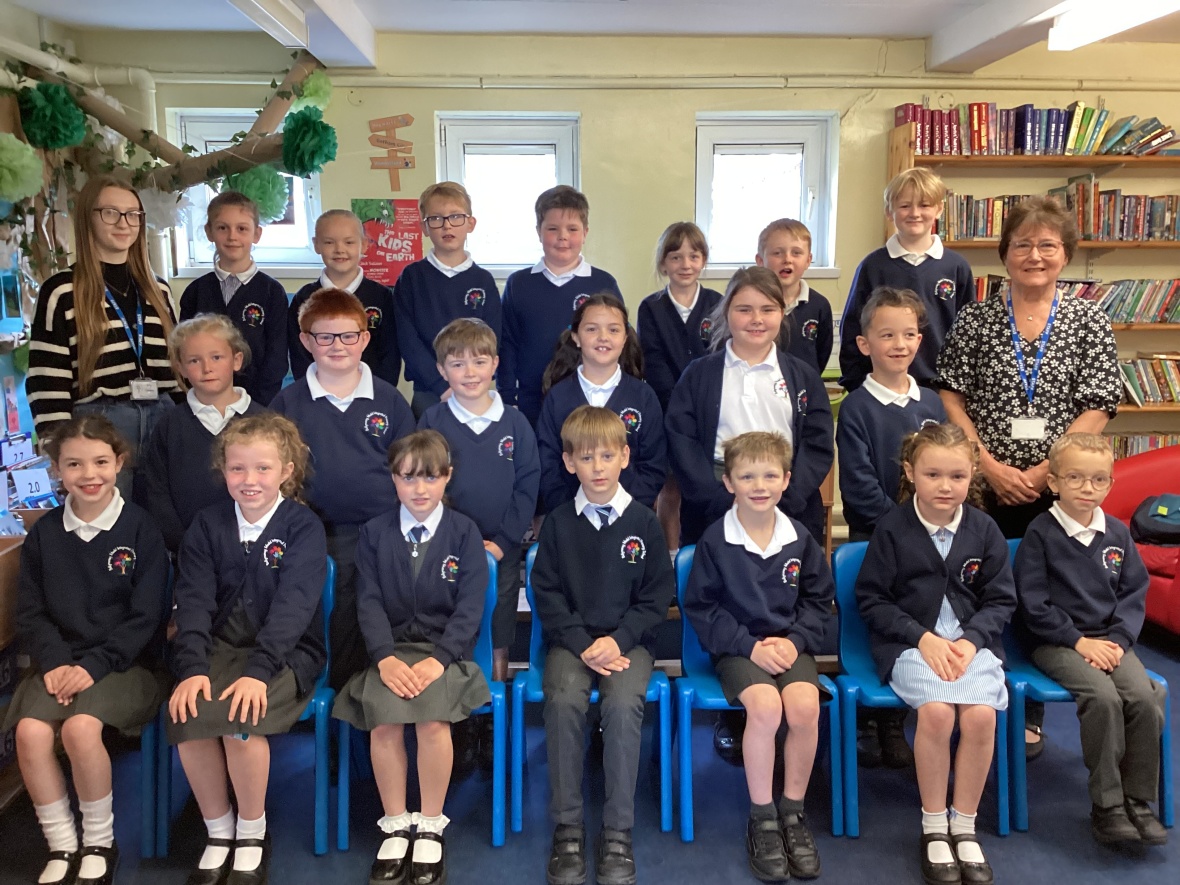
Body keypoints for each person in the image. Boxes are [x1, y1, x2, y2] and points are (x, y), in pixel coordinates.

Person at [935, 196, 1122, 757]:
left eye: (1047, 245)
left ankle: (1030, 709)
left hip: (1060, 488)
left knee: (1046, 593)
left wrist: (1045, 472)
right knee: (979, 587)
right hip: (984, 485)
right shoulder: (977, 318)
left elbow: (1099, 403)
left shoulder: (1088, 320)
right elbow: (951, 394)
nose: (1034, 255)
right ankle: (980, 691)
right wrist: (988, 465)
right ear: (1005, 254)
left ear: (1065, 254)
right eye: (1022, 245)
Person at [6, 415, 169, 885]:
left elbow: (146, 618)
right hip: (59, 664)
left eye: (100, 462)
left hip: (125, 665)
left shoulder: (141, 529)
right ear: (57, 470)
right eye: (74, 464)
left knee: (80, 729)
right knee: (30, 733)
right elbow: (31, 614)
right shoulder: (44, 534)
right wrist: (58, 663)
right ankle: (61, 843)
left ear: (119, 463)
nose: (89, 474)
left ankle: (99, 842)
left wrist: (94, 665)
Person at [168, 413, 327, 885]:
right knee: (190, 716)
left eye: (262, 468)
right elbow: (193, 601)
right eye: (237, 468)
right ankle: (219, 830)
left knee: (241, 722)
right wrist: (192, 668)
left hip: (284, 654)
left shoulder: (303, 527)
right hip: (217, 649)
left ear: (286, 471)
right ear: (224, 471)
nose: (249, 479)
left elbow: (294, 608)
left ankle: (253, 832)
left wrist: (259, 672)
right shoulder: (206, 524)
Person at [856, 423, 1015, 885]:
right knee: (938, 713)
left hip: (970, 644)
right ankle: (933, 825)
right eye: (933, 475)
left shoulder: (984, 529)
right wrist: (921, 637)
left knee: (981, 717)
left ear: (972, 476)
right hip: (910, 644)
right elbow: (872, 600)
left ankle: (963, 825)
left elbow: (1001, 600)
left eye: (957, 476)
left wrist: (971, 639)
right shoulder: (892, 528)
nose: (946, 486)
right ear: (910, 473)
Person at [333, 430, 491, 885]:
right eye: (408, 478)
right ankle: (397, 823)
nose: (419, 489)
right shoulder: (374, 533)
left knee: (432, 723)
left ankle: (430, 824)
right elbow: (368, 602)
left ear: (447, 477)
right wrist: (384, 658)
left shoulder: (464, 532)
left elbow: (470, 608)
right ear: (393, 479)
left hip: (446, 656)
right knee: (385, 722)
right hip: (392, 653)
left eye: (430, 478)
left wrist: (440, 659)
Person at [531, 406, 675, 885]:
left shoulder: (645, 522)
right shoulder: (557, 523)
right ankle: (568, 827)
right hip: (571, 644)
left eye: (607, 456)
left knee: (622, 703)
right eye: (586, 457)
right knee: (563, 699)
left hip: (629, 644)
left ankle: (617, 830)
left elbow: (656, 597)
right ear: (569, 462)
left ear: (625, 458)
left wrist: (619, 639)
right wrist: (581, 642)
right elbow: (546, 594)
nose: (597, 467)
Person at [682, 431, 832, 882]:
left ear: (786, 480)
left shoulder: (800, 538)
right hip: (738, 649)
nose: (759, 485)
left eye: (769, 475)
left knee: (804, 707)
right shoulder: (715, 540)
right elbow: (702, 609)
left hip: (789, 645)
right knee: (765, 708)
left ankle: (793, 812)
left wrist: (795, 641)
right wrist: (749, 647)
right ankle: (763, 818)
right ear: (729, 482)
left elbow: (818, 601)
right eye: (747, 477)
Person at [1013, 433, 1167, 847]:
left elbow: (1133, 595)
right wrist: (1078, 642)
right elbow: (1033, 604)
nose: (1088, 488)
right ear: (1054, 482)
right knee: (1102, 698)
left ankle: (1137, 799)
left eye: (1099, 480)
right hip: (1057, 642)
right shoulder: (1040, 534)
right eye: (1076, 478)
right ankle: (1108, 804)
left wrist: (1117, 640)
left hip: (1112, 641)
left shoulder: (1117, 533)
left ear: (1110, 484)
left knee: (1145, 697)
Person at [270, 288, 415, 689]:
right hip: (311, 534)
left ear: (365, 339)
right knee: (325, 622)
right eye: (325, 336)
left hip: (380, 532)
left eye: (348, 335)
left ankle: (368, 705)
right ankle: (330, 707)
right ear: (306, 341)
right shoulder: (287, 404)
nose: (338, 345)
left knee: (375, 619)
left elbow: (409, 471)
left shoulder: (390, 400)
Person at [837, 286, 946, 771]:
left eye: (908, 335)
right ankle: (868, 723)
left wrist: (926, 529)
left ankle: (896, 719)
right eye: (886, 335)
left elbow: (944, 471)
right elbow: (860, 487)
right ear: (865, 344)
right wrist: (905, 530)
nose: (899, 345)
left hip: (927, 541)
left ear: (919, 340)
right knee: (877, 622)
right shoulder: (857, 407)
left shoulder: (932, 404)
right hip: (875, 540)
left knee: (918, 620)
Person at [25, 174, 181, 496]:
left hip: (163, 420)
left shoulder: (159, 290)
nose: (124, 223)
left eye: (133, 214)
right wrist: (59, 449)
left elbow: (176, 372)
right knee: (104, 522)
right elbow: (47, 381)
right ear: (88, 218)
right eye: (110, 213)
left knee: (164, 521)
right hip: (99, 427)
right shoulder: (62, 291)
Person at [666, 266, 834, 548]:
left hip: (789, 504)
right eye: (744, 310)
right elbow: (682, 440)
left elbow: (818, 443)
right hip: (714, 506)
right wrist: (719, 498)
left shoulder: (803, 376)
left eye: (768, 309)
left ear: (782, 313)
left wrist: (786, 496)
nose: (756, 319)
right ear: (726, 312)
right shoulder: (698, 375)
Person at [418, 319, 540, 686]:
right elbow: (423, 483)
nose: (470, 373)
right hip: (446, 547)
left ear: (495, 364)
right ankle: (455, 702)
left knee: (498, 625)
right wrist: (447, 539)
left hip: (501, 548)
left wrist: (503, 542)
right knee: (449, 623)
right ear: (442, 370)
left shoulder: (515, 423)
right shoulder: (432, 420)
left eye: (479, 361)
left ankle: (494, 701)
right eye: (458, 364)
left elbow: (527, 485)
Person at [136, 314, 265, 553]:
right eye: (194, 360)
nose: (207, 368)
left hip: (257, 551)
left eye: (216, 357)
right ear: (180, 368)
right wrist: (185, 544)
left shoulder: (265, 421)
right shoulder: (169, 426)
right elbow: (157, 492)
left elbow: (282, 488)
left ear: (236, 360)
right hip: (190, 553)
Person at [839, 167, 974, 392]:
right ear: (889, 212)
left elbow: (968, 333)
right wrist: (856, 384)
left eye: (924, 205)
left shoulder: (956, 267)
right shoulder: (872, 266)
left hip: (941, 389)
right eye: (904, 206)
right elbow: (853, 328)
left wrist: (959, 389)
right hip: (882, 387)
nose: (914, 213)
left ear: (939, 209)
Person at [499, 185, 623, 426]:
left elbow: (618, 340)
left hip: (590, 401)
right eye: (552, 229)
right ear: (539, 231)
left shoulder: (603, 283)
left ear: (585, 233)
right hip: (530, 400)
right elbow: (507, 343)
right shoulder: (519, 284)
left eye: (572, 229)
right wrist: (507, 396)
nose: (563, 236)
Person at [537, 294, 666, 512]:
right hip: (570, 515)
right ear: (576, 337)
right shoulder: (557, 399)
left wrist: (627, 509)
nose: (603, 337)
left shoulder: (643, 397)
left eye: (613, 330)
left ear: (625, 338)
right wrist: (570, 512)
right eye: (592, 329)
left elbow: (654, 464)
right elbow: (548, 463)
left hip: (629, 515)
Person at [637, 221, 722, 550]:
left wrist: (700, 407)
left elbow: (719, 359)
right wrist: (680, 410)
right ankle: (670, 556)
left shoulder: (717, 303)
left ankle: (705, 553)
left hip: (710, 413)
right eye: (675, 257)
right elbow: (653, 362)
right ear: (663, 264)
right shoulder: (651, 307)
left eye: (693, 256)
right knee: (670, 488)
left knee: (707, 485)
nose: (685, 264)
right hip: (667, 412)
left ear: (703, 261)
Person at [393, 182, 501, 418]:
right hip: (428, 391)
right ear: (424, 227)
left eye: (455, 217)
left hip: (474, 388)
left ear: (470, 223)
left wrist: (473, 378)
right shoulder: (411, 278)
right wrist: (441, 386)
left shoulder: (483, 280)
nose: (447, 225)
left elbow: (493, 337)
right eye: (436, 219)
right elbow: (408, 340)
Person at [179, 191, 288, 404]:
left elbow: (277, 359)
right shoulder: (196, 291)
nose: (232, 236)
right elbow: (185, 351)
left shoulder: (272, 292)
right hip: (204, 403)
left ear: (256, 234)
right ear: (209, 232)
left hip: (257, 404)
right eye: (222, 228)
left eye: (242, 229)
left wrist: (258, 407)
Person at [289, 209, 401, 388]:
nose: (339, 250)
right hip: (317, 394)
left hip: (372, 393)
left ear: (364, 244)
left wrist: (377, 392)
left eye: (349, 242)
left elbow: (390, 356)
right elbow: (299, 355)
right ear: (316, 245)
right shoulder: (303, 298)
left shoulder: (382, 297)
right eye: (329, 242)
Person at [754, 219, 833, 376]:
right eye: (777, 253)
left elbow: (822, 352)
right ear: (760, 261)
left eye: (796, 253)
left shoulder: (819, 305)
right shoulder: (752, 304)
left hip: (804, 385)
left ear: (808, 260)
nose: (787, 259)